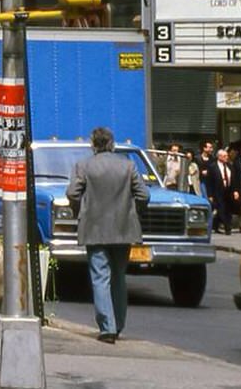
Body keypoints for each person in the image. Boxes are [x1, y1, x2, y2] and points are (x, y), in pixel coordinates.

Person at [66, 126, 149, 344]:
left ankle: (107, 326)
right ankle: (118, 324)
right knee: (119, 276)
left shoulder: (84, 166)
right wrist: (133, 213)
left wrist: (80, 211)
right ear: (112, 144)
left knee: (100, 276)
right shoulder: (128, 165)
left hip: (94, 228)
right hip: (123, 228)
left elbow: (72, 193)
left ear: (93, 144)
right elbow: (144, 194)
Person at [208, 148, 241, 234]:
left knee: (228, 209)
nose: (227, 157)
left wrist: (235, 191)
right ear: (219, 157)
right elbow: (210, 182)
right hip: (218, 190)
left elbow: (234, 180)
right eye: (225, 156)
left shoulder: (230, 166)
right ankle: (227, 227)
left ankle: (221, 225)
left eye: (227, 156)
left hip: (228, 190)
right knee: (221, 208)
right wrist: (210, 195)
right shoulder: (213, 167)